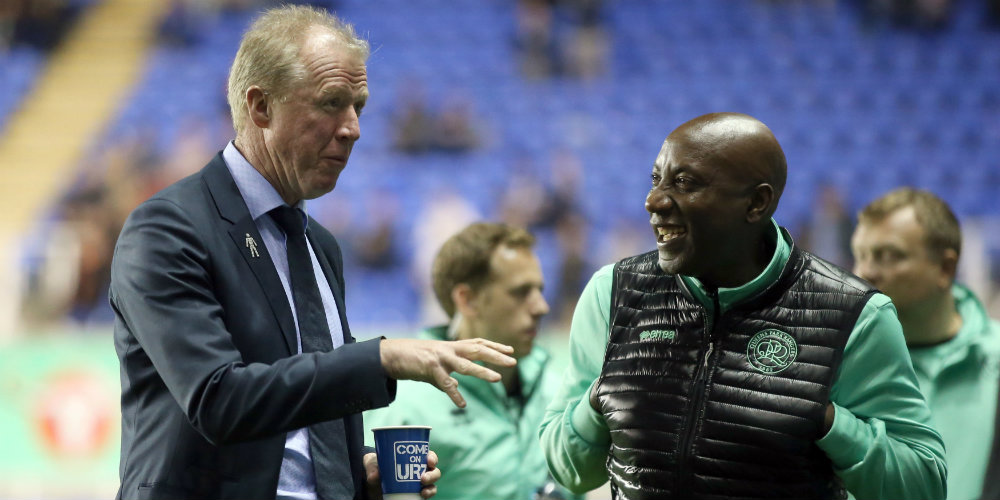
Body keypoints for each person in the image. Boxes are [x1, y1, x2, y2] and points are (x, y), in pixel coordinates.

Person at [110, 6, 516, 500]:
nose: (353, 128)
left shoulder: (319, 246)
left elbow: (307, 417)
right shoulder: (168, 229)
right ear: (260, 107)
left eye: (359, 106)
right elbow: (219, 399)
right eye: (331, 103)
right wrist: (381, 358)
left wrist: (354, 474)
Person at [538, 112, 947, 499]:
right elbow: (569, 469)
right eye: (656, 179)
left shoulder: (855, 315)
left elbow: (923, 484)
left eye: (684, 182)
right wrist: (597, 400)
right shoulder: (613, 293)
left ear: (756, 203)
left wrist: (826, 422)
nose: (654, 201)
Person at [363, 222, 582, 500]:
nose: (542, 307)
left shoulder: (556, 394)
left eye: (540, 289)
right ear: (467, 300)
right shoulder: (404, 405)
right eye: (520, 292)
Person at [851, 187, 1000, 500]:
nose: (865, 272)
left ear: (945, 268)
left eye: (888, 255)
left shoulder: (995, 358)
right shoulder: (842, 363)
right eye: (860, 256)